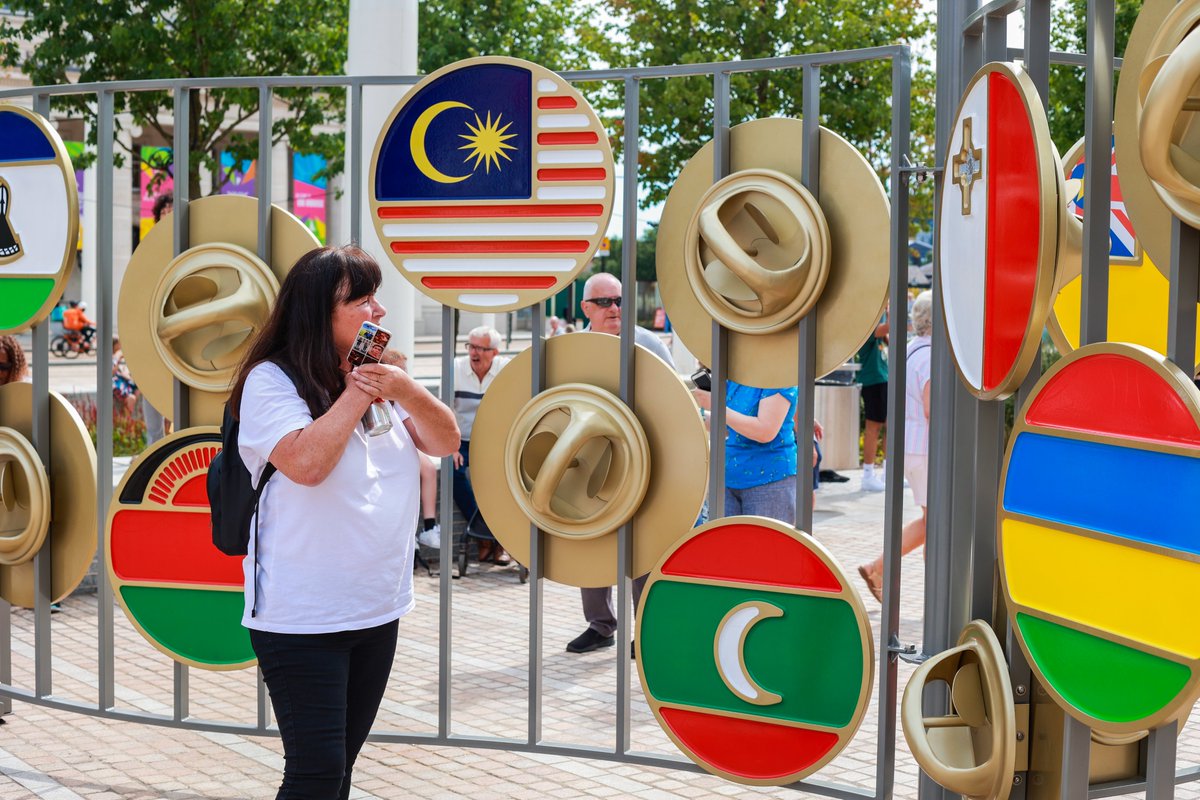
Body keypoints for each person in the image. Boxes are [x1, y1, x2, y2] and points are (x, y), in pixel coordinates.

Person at [229, 245, 459, 799]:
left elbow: (445, 439)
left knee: (340, 770)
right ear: (317, 313)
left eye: (376, 298)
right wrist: (360, 390)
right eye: (361, 300)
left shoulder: (383, 378)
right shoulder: (271, 381)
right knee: (314, 773)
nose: (378, 312)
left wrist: (402, 388)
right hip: (303, 616)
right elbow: (307, 464)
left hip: (377, 606)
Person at [566, 272, 674, 655]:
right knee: (590, 539)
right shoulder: (573, 346)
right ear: (586, 309)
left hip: (640, 459)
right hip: (591, 460)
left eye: (620, 301)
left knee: (642, 546)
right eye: (605, 302)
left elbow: (673, 396)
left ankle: (645, 630)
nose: (615, 309)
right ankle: (600, 624)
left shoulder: (647, 343)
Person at [859, 290, 933, 604]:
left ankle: (931, 587)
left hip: (908, 446)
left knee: (934, 521)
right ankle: (879, 568)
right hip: (927, 447)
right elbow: (932, 407)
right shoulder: (931, 356)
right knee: (936, 522)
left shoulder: (908, 350)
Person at [693, 379, 798, 524]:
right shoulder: (735, 378)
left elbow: (765, 432)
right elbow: (730, 427)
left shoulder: (779, 377)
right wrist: (693, 414)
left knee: (765, 545)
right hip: (728, 479)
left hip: (769, 481)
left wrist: (716, 405)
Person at [451, 326, 511, 561]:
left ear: (494, 352)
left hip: (495, 442)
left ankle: (497, 541)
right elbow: (445, 408)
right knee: (453, 472)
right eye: (471, 346)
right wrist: (452, 445)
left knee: (503, 481)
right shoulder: (456, 368)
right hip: (462, 439)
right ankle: (486, 537)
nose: (473, 352)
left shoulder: (506, 369)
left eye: (480, 348)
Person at [856, 312, 889, 492]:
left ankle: (887, 470)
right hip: (873, 382)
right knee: (873, 427)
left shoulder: (880, 337)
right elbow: (891, 325)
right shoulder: (867, 330)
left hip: (883, 381)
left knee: (888, 426)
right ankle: (868, 474)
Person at [111, 336, 138, 415]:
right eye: (119, 343)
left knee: (139, 388)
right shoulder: (113, 357)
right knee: (131, 398)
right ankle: (126, 418)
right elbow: (112, 371)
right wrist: (117, 356)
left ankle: (126, 418)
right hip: (117, 384)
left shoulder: (119, 357)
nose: (121, 345)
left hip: (125, 382)